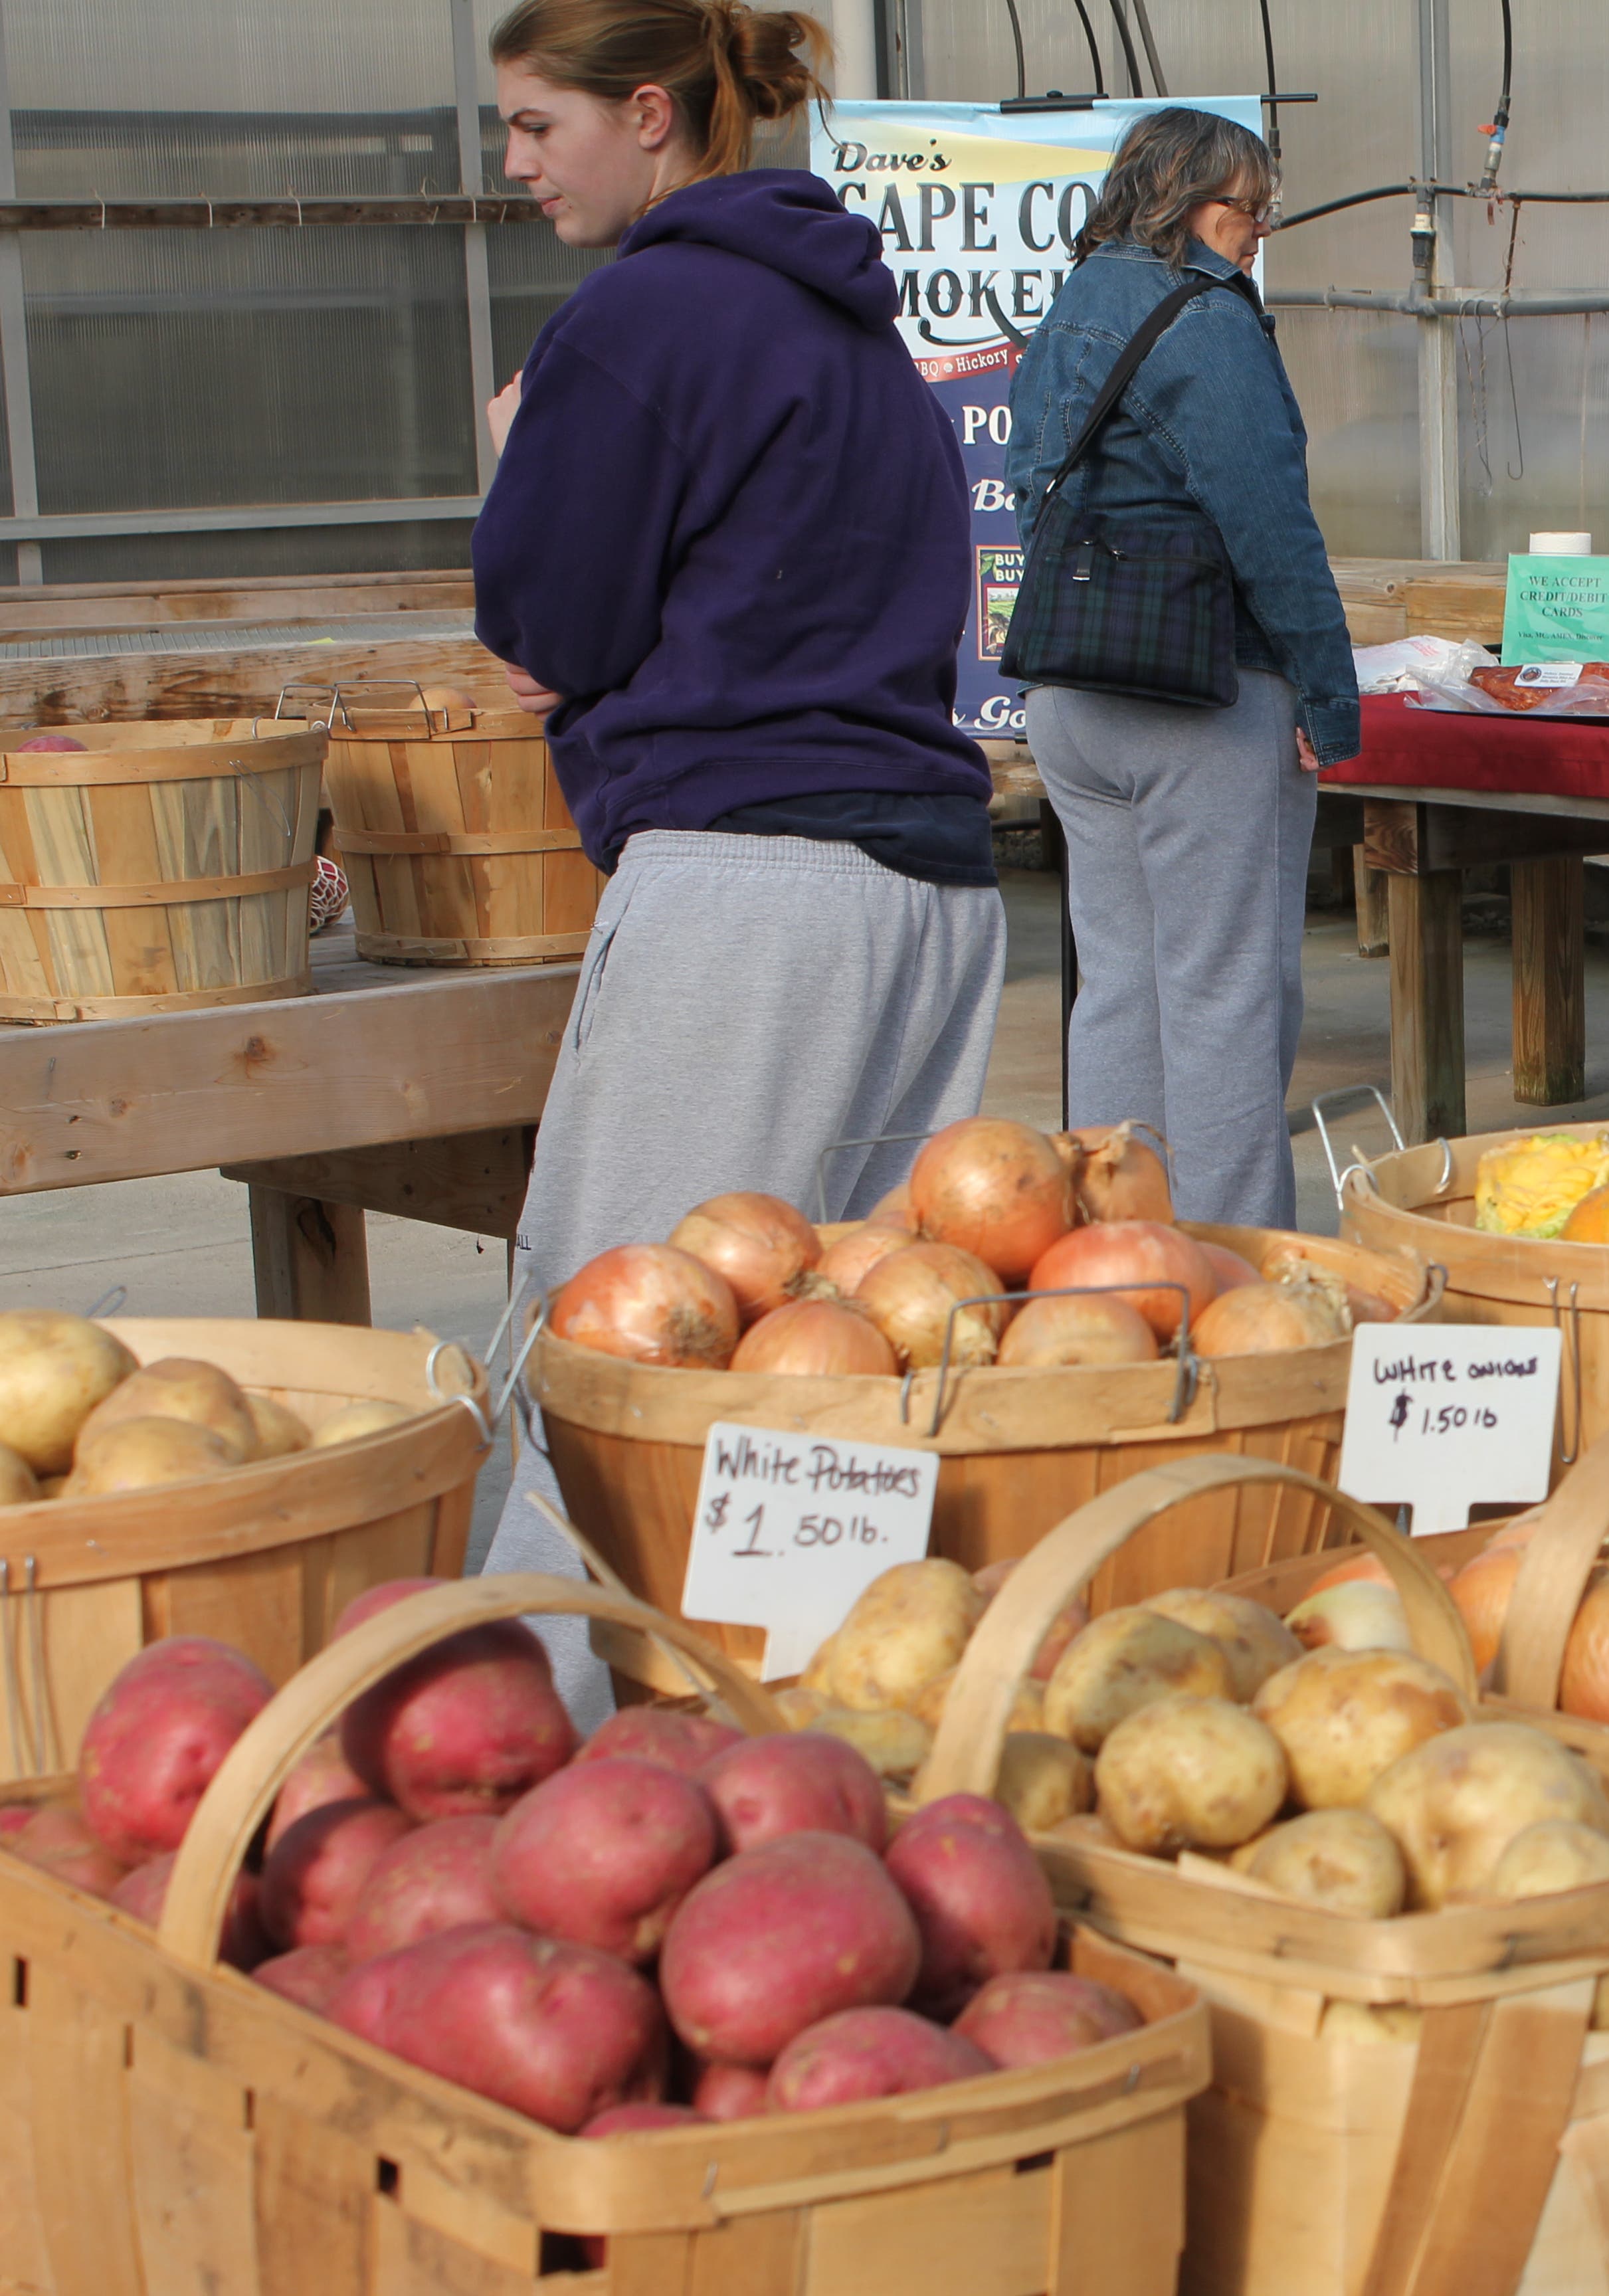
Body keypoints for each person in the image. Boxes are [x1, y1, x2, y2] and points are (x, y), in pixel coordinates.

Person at [472, 0, 1005, 1717]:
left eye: (536, 127)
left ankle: (537, 1756)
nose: (513, 164)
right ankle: (818, 1744)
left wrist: (512, 469)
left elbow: (547, 622)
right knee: (838, 1361)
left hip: (752, 889)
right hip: (931, 887)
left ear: (649, 111)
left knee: (626, 1356)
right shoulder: (858, 329)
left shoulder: (636, 324)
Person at [1006, 109, 1356, 1229]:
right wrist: (1327, 695)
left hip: (1072, 692)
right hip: (1197, 695)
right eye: (1244, 208)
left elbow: (1029, 481)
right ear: (1190, 202)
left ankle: (1108, 1253)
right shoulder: (1208, 322)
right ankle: (1233, 1268)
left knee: (1118, 985)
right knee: (1223, 994)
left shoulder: (1066, 307)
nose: (1256, 231)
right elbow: (1268, 526)